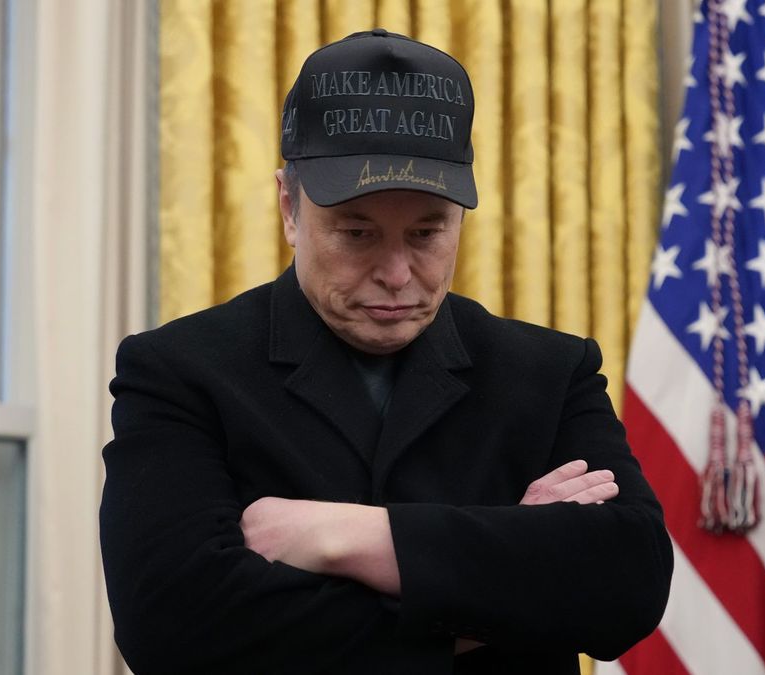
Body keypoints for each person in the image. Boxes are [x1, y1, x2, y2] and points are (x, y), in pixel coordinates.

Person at [100, 29, 672, 674]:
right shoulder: (179, 370)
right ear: (290, 208)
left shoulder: (549, 372)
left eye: (428, 232)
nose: (397, 273)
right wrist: (512, 567)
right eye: (356, 233)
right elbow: (173, 627)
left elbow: (631, 581)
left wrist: (344, 537)